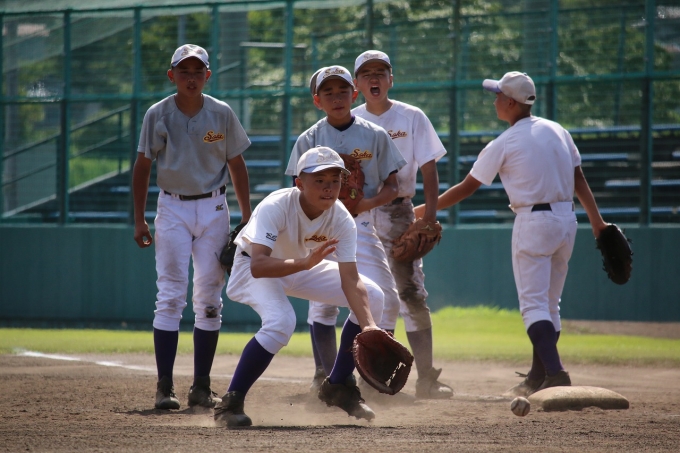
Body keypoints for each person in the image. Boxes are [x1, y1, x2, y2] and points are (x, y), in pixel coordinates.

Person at [414, 71, 609, 396]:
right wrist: (598, 223)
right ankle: (537, 377)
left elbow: (467, 187)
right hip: (567, 220)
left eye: (497, 96)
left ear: (510, 102)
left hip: (534, 222)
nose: (494, 102)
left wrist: (419, 211)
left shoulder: (505, 142)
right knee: (550, 304)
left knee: (533, 306)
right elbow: (579, 179)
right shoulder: (558, 130)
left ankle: (556, 373)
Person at [213, 146, 384, 427]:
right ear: (299, 183)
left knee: (374, 297)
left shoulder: (341, 218)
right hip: (252, 267)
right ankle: (230, 403)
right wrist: (304, 263)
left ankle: (338, 385)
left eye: (335, 181)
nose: (328, 188)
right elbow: (259, 265)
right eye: (319, 180)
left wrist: (369, 327)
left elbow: (351, 279)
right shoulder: (277, 205)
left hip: (302, 265)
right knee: (281, 322)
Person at [132, 44, 252, 410]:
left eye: (198, 71)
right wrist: (138, 218)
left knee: (210, 298)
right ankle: (164, 387)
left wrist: (247, 217)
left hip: (214, 208)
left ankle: (201, 386)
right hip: (172, 208)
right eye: (184, 71)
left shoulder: (221, 112)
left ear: (207, 75)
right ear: (172, 75)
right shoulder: (158, 113)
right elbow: (142, 165)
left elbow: (237, 164)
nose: (191, 77)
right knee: (170, 295)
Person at [284, 66, 407, 394]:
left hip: (360, 223)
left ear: (354, 94)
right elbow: (295, 188)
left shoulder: (374, 134)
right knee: (323, 304)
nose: (336, 98)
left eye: (342, 91)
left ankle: (377, 375)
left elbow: (393, 186)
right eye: (328, 92)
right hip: (320, 225)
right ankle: (327, 375)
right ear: (317, 100)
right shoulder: (309, 139)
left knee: (386, 298)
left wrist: (363, 204)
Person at [352, 50, 452, 399]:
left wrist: (429, 217)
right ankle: (366, 380)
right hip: (360, 214)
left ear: (391, 79)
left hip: (399, 213)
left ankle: (427, 379)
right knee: (366, 295)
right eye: (367, 73)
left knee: (410, 292)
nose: (374, 78)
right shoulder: (350, 120)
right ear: (357, 83)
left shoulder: (411, 116)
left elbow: (429, 169)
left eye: (381, 72)